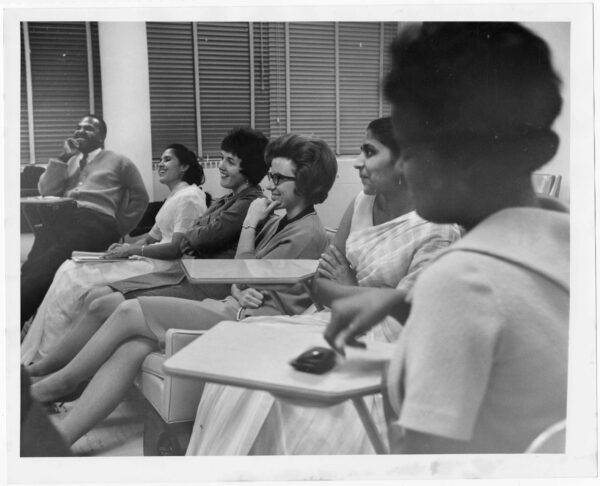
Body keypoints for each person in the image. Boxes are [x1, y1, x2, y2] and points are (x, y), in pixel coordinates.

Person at [325, 22, 569, 454]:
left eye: (411, 150)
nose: (401, 170)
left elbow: (427, 466)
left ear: (467, 158)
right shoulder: (573, 248)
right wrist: (401, 302)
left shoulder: (458, 282)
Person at [29, 133, 338, 446]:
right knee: (133, 346)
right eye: (270, 174)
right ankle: (60, 435)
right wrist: (240, 284)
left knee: (127, 310)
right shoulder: (279, 219)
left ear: (306, 181)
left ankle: (56, 385)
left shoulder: (307, 232)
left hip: (250, 323)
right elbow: (240, 274)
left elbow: (244, 271)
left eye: (277, 177)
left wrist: (249, 226)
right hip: (236, 306)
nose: (269, 184)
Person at [184, 117, 461, 455]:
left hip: (388, 341)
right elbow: (319, 285)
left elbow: (410, 314)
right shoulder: (362, 202)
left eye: (370, 152)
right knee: (242, 364)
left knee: (291, 398)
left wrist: (348, 284)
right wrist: (356, 291)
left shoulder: (439, 226)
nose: (357, 162)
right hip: (331, 316)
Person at [23, 127, 269, 375]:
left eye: (230, 161)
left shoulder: (246, 202)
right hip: (187, 273)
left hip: (202, 282)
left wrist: (147, 246)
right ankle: (50, 366)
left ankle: (56, 372)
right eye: (222, 158)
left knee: (96, 301)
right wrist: (174, 241)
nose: (222, 166)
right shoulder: (228, 200)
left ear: (248, 167)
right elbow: (188, 239)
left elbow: (188, 242)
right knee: (91, 293)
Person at [21, 143, 208, 367]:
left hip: (166, 268)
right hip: (148, 259)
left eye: (168, 159)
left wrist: (131, 250)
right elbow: (150, 238)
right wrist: (120, 251)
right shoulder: (175, 196)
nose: (160, 164)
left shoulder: (190, 198)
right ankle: (44, 353)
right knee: (68, 267)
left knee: (75, 278)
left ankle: (50, 358)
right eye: (161, 159)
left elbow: (176, 248)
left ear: (184, 166)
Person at [21, 114, 149, 327]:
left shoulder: (120, 161)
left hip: (95, 222)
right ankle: (23, 322)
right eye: (77, 128)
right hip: (63, 219)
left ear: (102, 137)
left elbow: (140, 197)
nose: (80, 132)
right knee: (32, 263)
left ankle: (15, 321)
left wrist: (118, 226)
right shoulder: (69, 162)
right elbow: (46, 190)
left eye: (88, 128)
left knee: (50, 262)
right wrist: (63, 157)